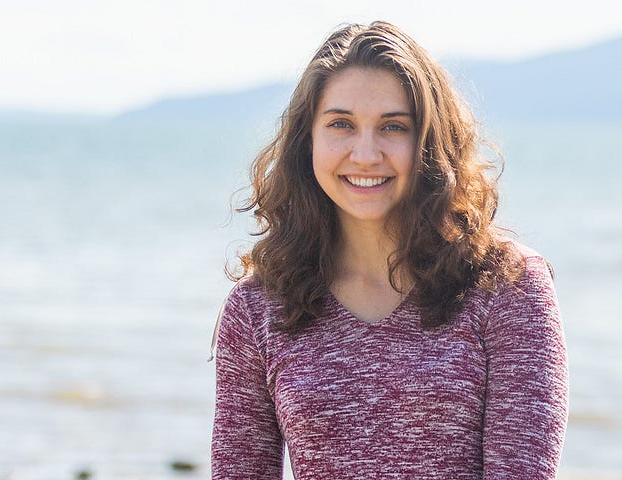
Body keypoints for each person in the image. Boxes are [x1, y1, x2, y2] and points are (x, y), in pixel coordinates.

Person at [209, 21, 568, 479]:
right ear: (308, 140)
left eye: (393, 127)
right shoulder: (258, 307)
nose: (365, 153)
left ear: (430, 144)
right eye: (341, 124)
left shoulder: (507, 285)